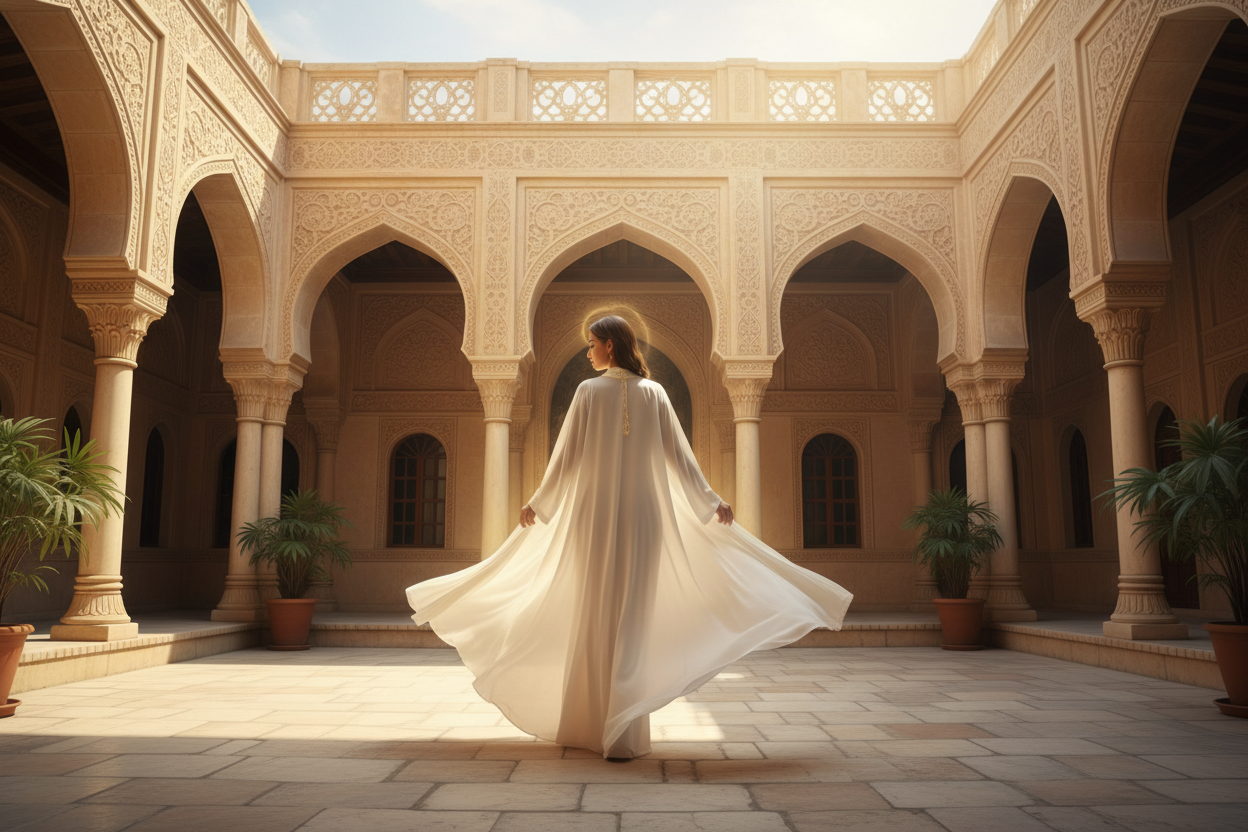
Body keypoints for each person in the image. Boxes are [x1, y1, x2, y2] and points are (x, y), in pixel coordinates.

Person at [407, 315, 853, 759]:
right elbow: (680, 457)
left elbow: (568, 459)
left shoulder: (591, 392)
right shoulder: (651, 393)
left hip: (595, 518)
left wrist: (539, 503)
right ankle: (619, 735)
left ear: (610, 347)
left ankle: (595, 728)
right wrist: (711, 499)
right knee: (631, 617)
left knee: (596, 611)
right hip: (644, 518)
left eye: (592, 344)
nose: (588, 352)